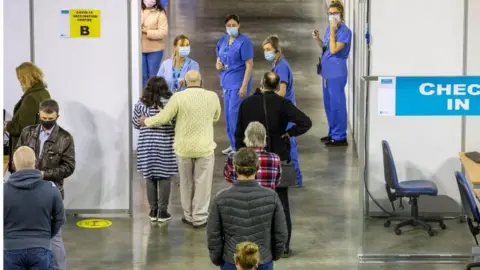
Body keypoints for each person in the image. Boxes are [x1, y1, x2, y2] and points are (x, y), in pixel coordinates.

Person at [235, 71, 312, 258]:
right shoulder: (283, 104)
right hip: (277, 157)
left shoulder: (246, 104)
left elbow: (238, 134)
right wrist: (288, 133)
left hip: (252, 159)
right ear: (278, 87)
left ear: (261, 83)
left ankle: (253, 244)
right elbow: (306, 122)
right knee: (281, 204)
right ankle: (283, 246)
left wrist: (242, 155)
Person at [138, 70, 221, 228]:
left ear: (186, 83)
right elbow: (216, 117)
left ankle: (188, 216)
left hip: (183, 148)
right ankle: (200, 217)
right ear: (201, 81)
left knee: (186, 183)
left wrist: (146, 121)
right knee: (202, 183)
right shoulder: (213, 97)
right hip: (204, 148)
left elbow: (164, 118)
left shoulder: (178, 97)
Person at [16, 99, 75, 270]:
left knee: (54, 235)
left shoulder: (65, 138)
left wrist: (43, 174)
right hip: (25, 189)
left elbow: (69, 167)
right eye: (44, 118)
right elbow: (16, 158)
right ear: (39, 115)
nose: (47, 122)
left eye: (51, 119)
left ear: (57, 116)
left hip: (51, 191)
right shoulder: (27, 133)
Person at [207, 148, 288, 270]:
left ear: (235, 167)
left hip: (232, 261)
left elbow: (213, 235)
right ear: (257, 167)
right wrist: (274, 255)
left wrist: (218, 259)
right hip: (262, 260)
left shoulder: (221, 198)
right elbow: (280, 233)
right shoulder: (272, 196)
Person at [4, 146, 65, 270]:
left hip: (11, 249)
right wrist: (47, 234)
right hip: (41, 248)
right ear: (36, 162)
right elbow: (60, 219)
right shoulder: (51, 189)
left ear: (14, 164)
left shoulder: (3, 191)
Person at [132, 76, 177, 222]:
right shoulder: (170, 102)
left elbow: (136, 124)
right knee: (164, 177)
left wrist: (145, 121)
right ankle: (163, 212)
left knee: (149, 177)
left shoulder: (141, 103)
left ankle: (153, 211)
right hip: (165, 143)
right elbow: (176, 122)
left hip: (146, 145)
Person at [262, 35, 304, 186]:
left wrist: (269, 100)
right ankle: (290, 178)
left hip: (285, 113)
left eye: (268, 49)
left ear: (276, 50)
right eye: (264, 49)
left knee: (289, 145)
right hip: (282, 111)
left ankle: (296, 179)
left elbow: (282, 91)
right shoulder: (277, 64)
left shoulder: (281, 67)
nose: (265, 52)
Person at [312, 0, 352, 146]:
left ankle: (340, 136)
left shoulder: (345, 32)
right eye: (330, 13)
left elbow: (335, 49)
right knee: (328, 104)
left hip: (336, 72)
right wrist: (318, 40)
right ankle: (332, 132)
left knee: (337, 104)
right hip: (326, 72)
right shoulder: (330, 29)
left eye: (335, 13)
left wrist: (334, 30)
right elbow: (326, 48)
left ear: (341, 14)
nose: (332, 16)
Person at [216, 14, 254, 155]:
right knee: (227, 115)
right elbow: (219, 56)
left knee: (235, 115)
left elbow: (249, 65)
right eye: (228, 25)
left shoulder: (244, 43)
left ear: (239, 25)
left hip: (238, 83)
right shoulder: (223, 40)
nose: (231, 28)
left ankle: (239, 146)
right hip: (226, 82)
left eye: (234, 25)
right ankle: (232, 144)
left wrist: (244, 86)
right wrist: (218, 64)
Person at [5, 62, 51, 173]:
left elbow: (24, 128)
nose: (19, 82)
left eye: (20, 78)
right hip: (39, 151)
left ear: (25, 78)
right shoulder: (44, 93)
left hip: (25, 155)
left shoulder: (30, 98)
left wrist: (7, 126)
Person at [224, 121, 281, 190]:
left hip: (240, 198)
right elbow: (276, 182)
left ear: (246, 138)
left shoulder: (233, 157)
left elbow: (228, 178)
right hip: (267, 199)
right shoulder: (275, 159)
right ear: (264, 138)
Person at [141, 0, 168, 88]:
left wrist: (147, 31)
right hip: (140, 49)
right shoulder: (137, 10)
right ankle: (144, 98)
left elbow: (163, 32)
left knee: (152, 76)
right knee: (142, 76)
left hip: (155, 50)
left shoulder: (160, 13)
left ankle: (153, 98)